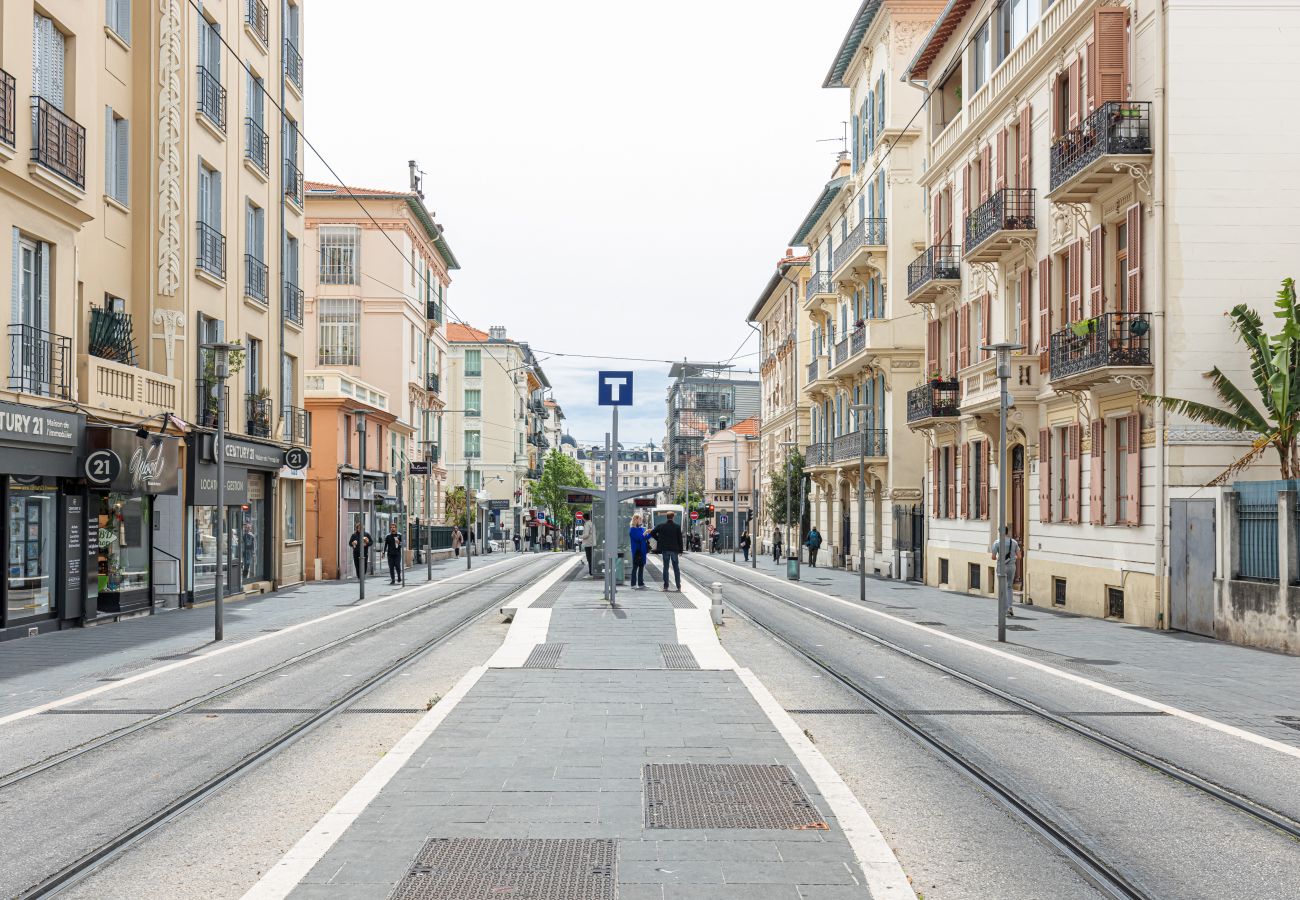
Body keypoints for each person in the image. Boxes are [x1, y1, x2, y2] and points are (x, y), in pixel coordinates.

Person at [990, 526, 1023, 617]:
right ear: (1008, 532)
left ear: (999, 532)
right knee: (1009, 587)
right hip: (1012, 566)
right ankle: (1010, 607)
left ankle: (1004, 608)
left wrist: (999, 558)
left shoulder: (997, 543)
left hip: (1001, 566)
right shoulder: (1014, 542)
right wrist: (1012, 558)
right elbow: (1019, 557)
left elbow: (993, 557)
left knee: (1002, 587)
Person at [649, 511, 683, 592]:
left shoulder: (661, 526)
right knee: (676, 568)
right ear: (673, 517)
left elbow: (652, 533)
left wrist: (659, 539)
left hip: (665, 549)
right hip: (674, 550)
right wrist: (681, 550)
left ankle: (666, 586)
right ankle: (678, 586)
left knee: (666, 568)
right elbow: (680, 539)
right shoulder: (677, 527)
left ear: (666, 517)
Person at [628, 515, 649, 589]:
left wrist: (650, 533)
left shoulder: (641, 528)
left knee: (641, 566)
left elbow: (645, 537)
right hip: (636, 550)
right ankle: (633, 584)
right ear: (636, 520)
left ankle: (641, 583)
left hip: (642, 550)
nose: (641, 520)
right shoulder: (632, 529)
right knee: (635, 567)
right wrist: (645, 532)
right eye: (640, 519)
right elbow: (639, 538)